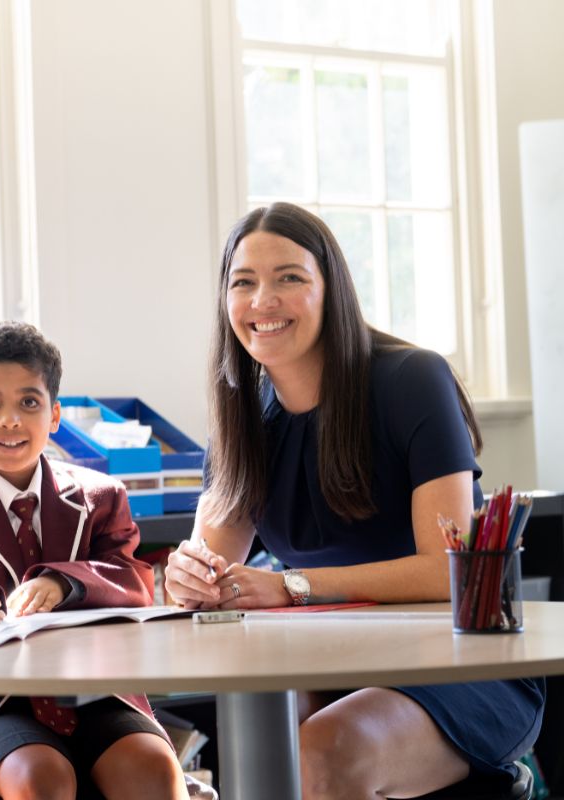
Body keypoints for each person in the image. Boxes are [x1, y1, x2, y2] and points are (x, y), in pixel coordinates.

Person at [164, 202, 545, 799]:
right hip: (330, 660)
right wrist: (188, 576)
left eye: (289, 277)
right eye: (244, 282)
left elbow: (449, 574)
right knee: (257, 738)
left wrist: (293, 586)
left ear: (330, 289)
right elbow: (208, 570)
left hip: (455, 664)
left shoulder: (411, 379)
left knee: (320, 750)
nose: (263, 300)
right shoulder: (240, 417)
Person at [0, 321, 191, 800]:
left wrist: (62, 583)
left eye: (28, 403)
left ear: (54, 415)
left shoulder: (102, 496)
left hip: (94, 689)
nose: (10, 420)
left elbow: (133, 578)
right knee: (40, 779)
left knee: (154, 769)